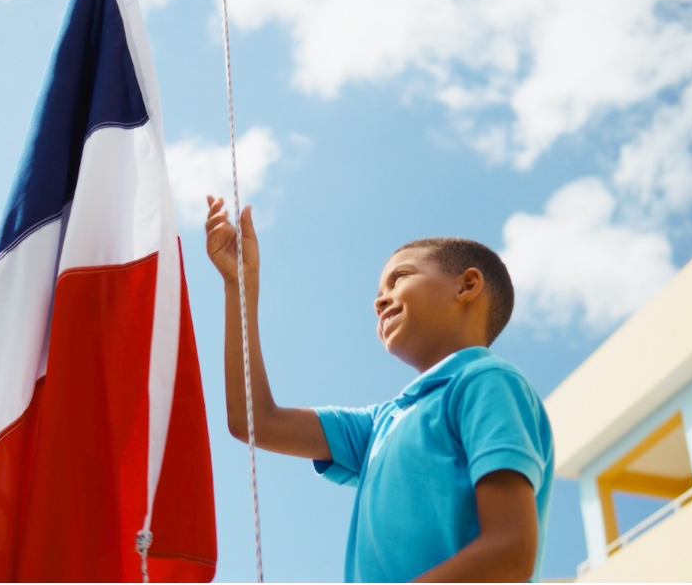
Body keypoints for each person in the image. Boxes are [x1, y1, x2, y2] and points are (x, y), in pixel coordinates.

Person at [204, 195, 554, 583]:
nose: (379, 299)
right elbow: (254, 421)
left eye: (400, 277)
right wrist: (240, 286)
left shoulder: (487, 383)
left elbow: (511, 551)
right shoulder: (381, 424)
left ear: (468, 285)